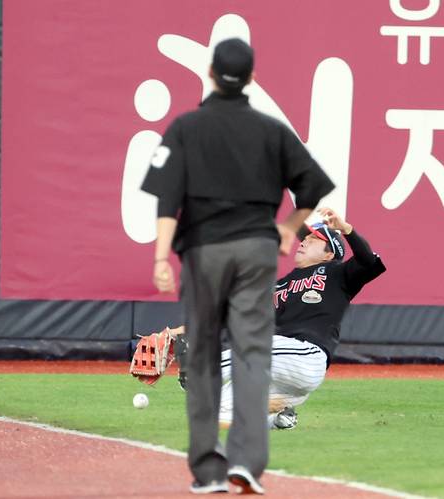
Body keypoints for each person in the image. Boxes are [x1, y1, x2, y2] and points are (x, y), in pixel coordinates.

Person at [140, 38, 334, 495]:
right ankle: (246, 465)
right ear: (250, 78)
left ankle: (208, 472)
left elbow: (167, 199)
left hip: (205, 252)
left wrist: (159, 255)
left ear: (210, 74)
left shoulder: (187, 127)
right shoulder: (271, 130)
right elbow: (313, 186)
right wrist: (288, 229)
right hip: (254, 255)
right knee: (251, 357)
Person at [170, 207, 386, 430]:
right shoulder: (280, 285)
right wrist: (179, 331)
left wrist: (347, 230)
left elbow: (368, 262)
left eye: (313, 239)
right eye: (305, 238)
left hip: (307, 357)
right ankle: (279, 419)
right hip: (279, 371)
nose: (303, 242)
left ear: (329, 254)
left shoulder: (338, 274)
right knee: (214, 412)